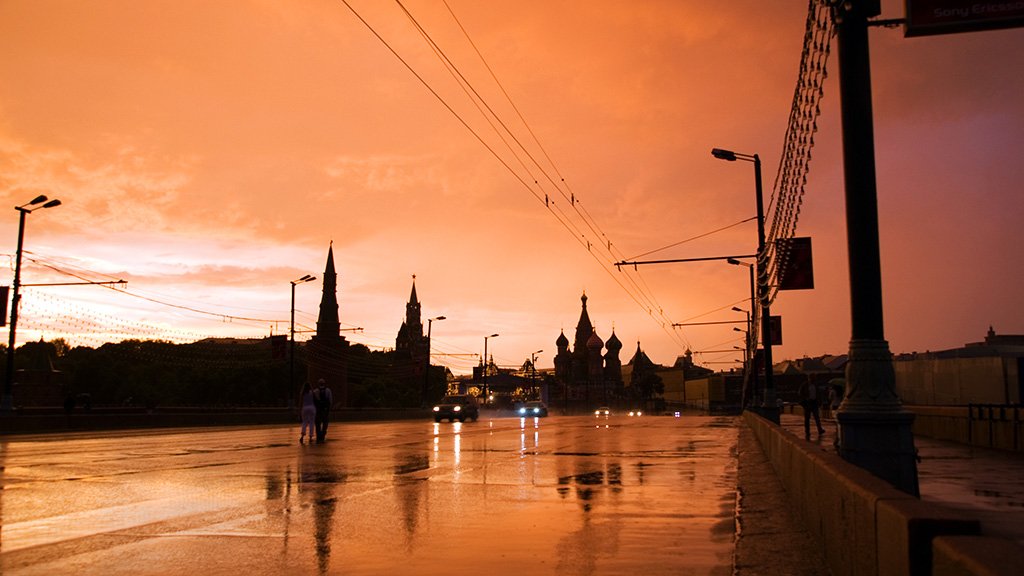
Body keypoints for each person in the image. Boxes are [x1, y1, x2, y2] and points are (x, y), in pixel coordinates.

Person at [313, 378, 333, 444]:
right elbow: (330, 401)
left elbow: (314, 401)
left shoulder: (315, 391)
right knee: (325, 423)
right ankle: (323, 436)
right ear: (324, 384)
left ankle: (318, 437)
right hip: (325, 410)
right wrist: (329, 409)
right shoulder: (328, 390)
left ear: (318, 384)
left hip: (318, 410)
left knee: (318, 424)